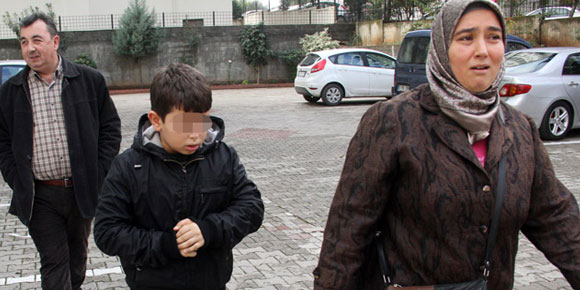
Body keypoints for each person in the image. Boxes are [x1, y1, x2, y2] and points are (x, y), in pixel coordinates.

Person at [313, 0, 580, 289]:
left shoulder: (520, 130)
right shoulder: (392, 121)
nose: (483, 50)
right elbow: (347, 234)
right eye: (466, 38)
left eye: (494, 37)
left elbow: (557, 219)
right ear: (442, 47)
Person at [93, 63, 264, 290]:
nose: (196, 134)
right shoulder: (128, 166)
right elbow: (107, 232)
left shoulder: (223, 156)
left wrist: (209, 230)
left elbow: (251, 208)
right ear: (156, 120)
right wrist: (166, 244)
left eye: (203, 121)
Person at [0, 13, 121, 290]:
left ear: (55, 41)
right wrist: (16, 178)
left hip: (81, 190)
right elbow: (3, 142)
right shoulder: (11, 92)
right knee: (54, 260)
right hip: (39, 195)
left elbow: (110, 128)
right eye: (23, 41)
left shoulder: (89, 81)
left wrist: (98, 172)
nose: (30, 48)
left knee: (77, 260)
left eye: (37, 40)